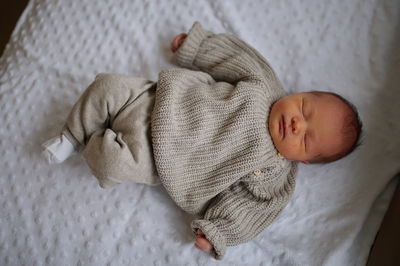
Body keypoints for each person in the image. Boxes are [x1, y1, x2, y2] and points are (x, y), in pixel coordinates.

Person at [42, 22, 362, 259]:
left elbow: (249, 212)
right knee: (107, 86)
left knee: (110, 164)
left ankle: (93, 141)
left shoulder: (275, 177)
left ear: (303, 160)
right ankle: (71, 134)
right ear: (300, 93)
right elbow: (235, 56)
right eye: (305, 108)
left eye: (306, 138)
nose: (296, 123)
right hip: (157, 100)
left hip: (159, 159)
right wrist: (195, 48)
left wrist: (217, 230)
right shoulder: (264, 85)